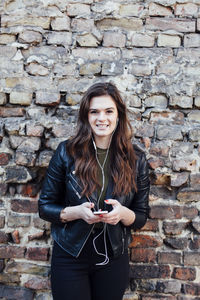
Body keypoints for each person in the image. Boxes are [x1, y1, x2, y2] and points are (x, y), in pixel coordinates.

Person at [38, 82, 150, 300]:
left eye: (109, 111)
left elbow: (141, 216)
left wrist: (122, 214)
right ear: (86, 116)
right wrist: (77, 212)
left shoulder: (137, 159)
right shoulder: (66, 152)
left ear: (119, 115)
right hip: (71, 254)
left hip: (114, 257)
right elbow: (45, 207)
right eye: (94, 112)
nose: (102, 118)